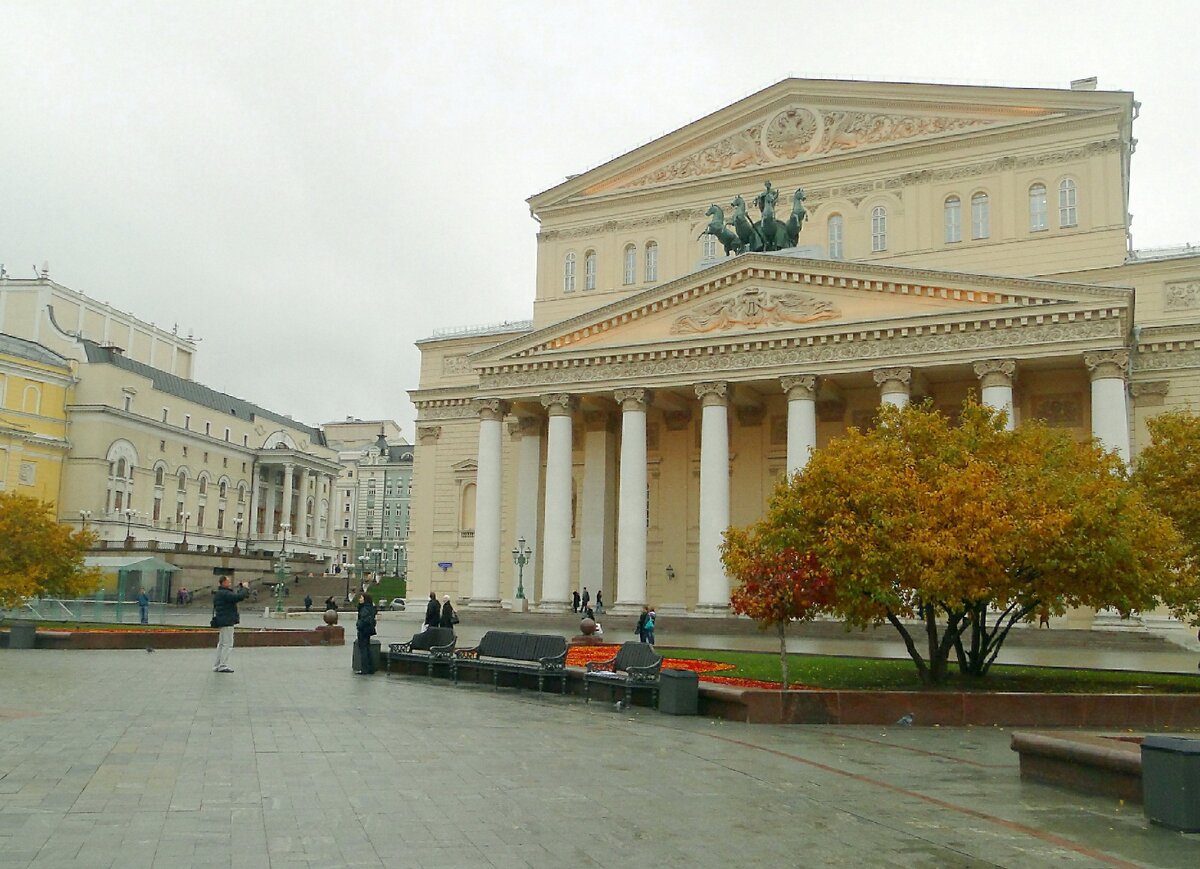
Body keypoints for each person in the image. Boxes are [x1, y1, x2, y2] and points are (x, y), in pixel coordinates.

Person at [212, 577, 249, 673]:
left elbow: (236, 596)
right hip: (227, 620)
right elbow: (238, 597)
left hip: (222, 619)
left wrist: (241, 589)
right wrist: (245, 588)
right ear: (223, 582)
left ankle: (217, 665)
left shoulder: (220, 593)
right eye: (228, 581)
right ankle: (223, 665)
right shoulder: (225, 593)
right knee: (227, 643)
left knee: (221, 644)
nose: (230, 583)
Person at [355, 592, 378, 675]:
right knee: (367, 649)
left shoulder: (365, 608)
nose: (359, 599)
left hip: (363, 631)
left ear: (365, 599)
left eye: (361, 598)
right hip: (368, 631)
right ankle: (370, 668)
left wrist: (358, 625)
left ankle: (364, 669)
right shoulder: (370, 607)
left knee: (364, 650)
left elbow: (363, 620)